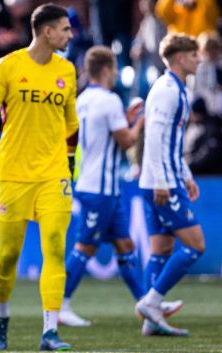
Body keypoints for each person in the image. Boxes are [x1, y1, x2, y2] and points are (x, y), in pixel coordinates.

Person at [0, 3, 78, 351]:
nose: (70, 34)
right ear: (47, 32)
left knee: (55, 249)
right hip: (13, 175)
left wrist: (70, 170)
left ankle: (50, 330)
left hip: (53, 175)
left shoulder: (68, 70)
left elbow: (71, 126)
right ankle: (1, 318)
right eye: (64, 28)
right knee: (10, 255)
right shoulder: (8, 66)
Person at [57, 46, 183, 329]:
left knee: (125, 246)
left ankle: (146, 302)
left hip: (99, 186)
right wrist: (141, 121)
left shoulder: (83, 99)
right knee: (84, 246)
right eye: (114, 69)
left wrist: (127, 121)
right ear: (106, 69)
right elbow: (126, 141)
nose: (116, 74)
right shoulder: (109, 100)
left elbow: (107, 133)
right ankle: (61, 305)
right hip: (99, 187)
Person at [135, 33, 205, 336]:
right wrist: (164, 181)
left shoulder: (174, 87)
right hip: (160, 182)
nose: (198, 60)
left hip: (164, 178)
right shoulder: (167, 91)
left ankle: (152, 322)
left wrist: (186, 174)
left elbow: (172, 144)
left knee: (162, 249)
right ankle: (152, 302)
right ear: (179, 58)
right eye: (193, 56)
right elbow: (153, 138)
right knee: (194, 245)